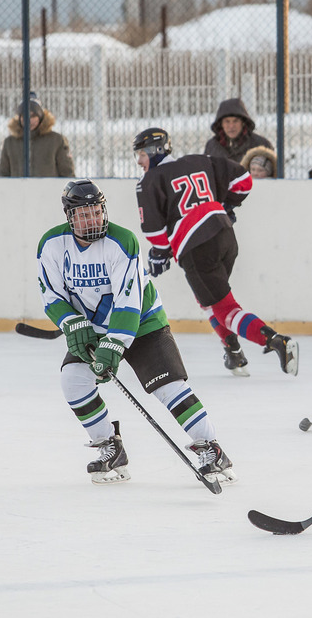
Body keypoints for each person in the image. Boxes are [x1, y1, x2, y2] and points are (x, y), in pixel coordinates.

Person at [37, 179, 236, 486]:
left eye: (96, 212)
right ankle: (110, 447)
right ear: (69, 216)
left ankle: (212, 449)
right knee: (73, 380)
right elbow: (51, 295)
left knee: (167, 387)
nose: (91, 219)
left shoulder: (122, 241)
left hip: (142, 323)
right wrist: (72, 323)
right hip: (93, 328)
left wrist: (112, 348)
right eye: (83, 214)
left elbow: (128, 304)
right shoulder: (52, 245)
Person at [133, 127, 298, 377]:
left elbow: (154, 231)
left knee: (224, 309)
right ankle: (234, 354)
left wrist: (160, 253)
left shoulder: (150, 180)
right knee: (208, 299)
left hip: (197, 248)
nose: (139, 161)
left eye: (141, 155)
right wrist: (228, 205)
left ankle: (276, 341)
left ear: (154, 151)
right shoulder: (202, 160)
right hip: (225, 235)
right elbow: (243, 180)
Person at [0, 92, 75, 177]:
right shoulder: (10, 143)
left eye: (33, 116)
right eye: (24, 115)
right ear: (19, 118)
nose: (29, 120)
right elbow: (3, 174)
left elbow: (68, 173)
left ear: (41, 116)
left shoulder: (56, 140)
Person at [204, 97, 274, 164]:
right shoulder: (211, 146)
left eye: (235, 121)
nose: (231, 126)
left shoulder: (260, 144)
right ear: (221, 124)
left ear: (243, 123)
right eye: (227, 121)